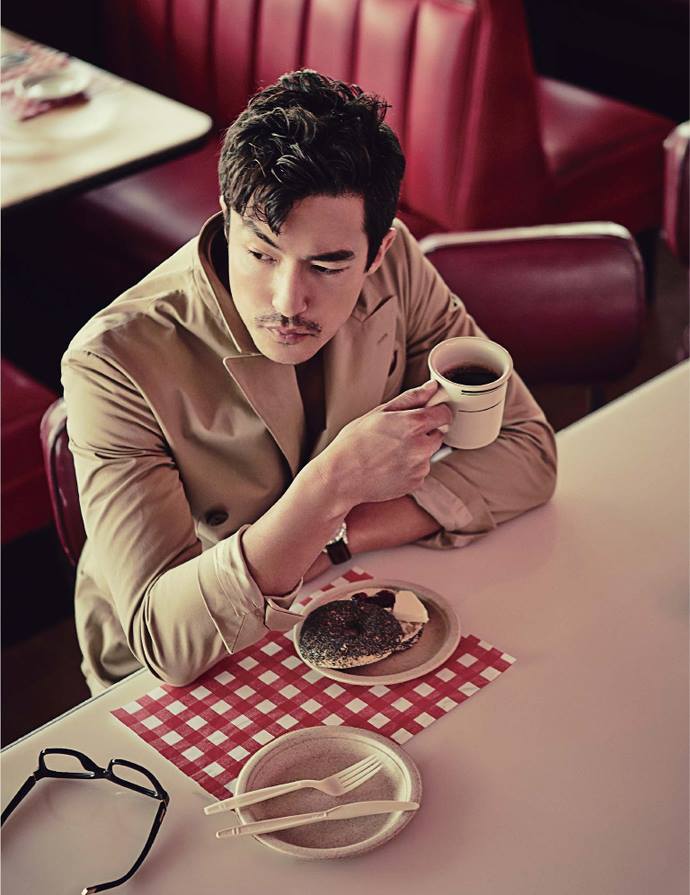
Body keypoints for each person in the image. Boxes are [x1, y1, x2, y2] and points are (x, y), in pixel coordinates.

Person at [62, 70, 557, 695]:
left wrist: (340, 539)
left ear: (378, 253)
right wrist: (332, 487)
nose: (287, 301)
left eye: (327, 265)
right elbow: (164, 639)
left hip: (342, 595)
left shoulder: (398, 266)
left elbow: (528, 454)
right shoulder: (111, 359)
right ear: (227, 221)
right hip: (179, 667)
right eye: (262, 254)